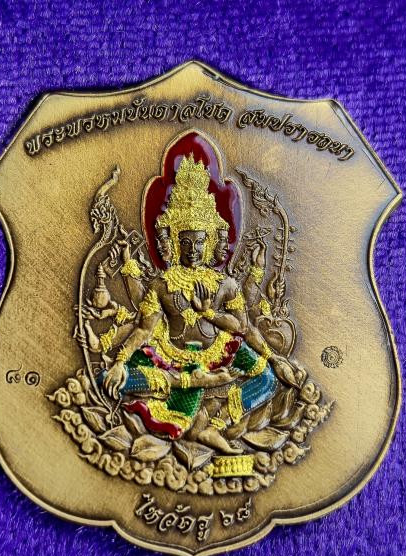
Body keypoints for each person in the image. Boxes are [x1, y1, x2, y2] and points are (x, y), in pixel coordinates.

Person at [100, 154, 299, 451]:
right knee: (109, 378)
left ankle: (218, 423)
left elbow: (242, 327)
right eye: (185, 242)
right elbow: (144, 329)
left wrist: (271, 356)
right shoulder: (163, 284)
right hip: (176, 355)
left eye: (199, 242)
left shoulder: (225, 284)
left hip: (219, 348)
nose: (192, 249)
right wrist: (119, 362)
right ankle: (190, 384)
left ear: (210, 243)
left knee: (268, 380)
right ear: (174, 242)